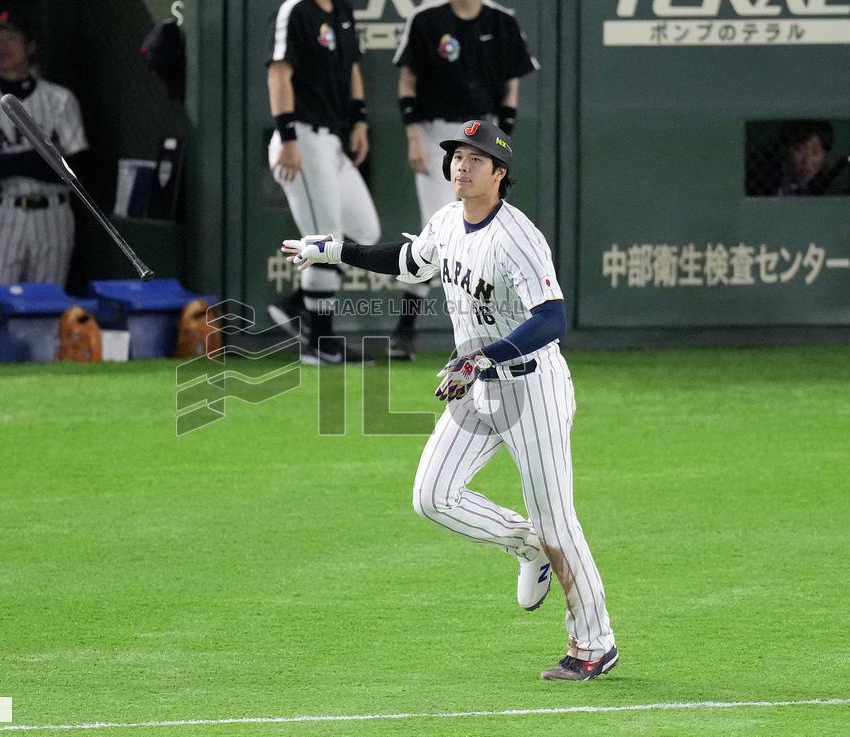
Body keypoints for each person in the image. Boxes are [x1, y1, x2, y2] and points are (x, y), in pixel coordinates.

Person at [282, 120, 618, 681]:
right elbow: (406, 259)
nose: (461, 166)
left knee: (560, 522)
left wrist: (484, 358)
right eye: (457, 156)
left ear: (499, 174)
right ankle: (526, 544)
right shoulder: (447, 221)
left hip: (531, 385)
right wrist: (335, 249)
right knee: (432, 495)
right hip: (478, 383)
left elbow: (552, 319)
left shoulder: (517, 237)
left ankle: (594, 642)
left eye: (475, 159)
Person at [388, 0, 537, 360]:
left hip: (485, 135)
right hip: (437, 132)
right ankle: (405, 330)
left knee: (488, 230)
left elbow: (510, 86)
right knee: (435, 234)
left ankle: (492, 331)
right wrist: (413, 137)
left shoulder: (502, 20)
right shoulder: (426, 18)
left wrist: (502, 141)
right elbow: (407, 82)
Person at [0, 9, 87, 359]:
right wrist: (40, 156)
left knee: (47, 309)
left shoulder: (60, 100)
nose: (2, 46)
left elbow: (72, 169)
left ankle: (39, 394)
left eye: (11, 37)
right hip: (0, 215)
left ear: (30, 47)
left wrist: (11, 162)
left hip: (53, 214)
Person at [265, 0, 381, 365]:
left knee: (366, 233)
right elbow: (278, 73)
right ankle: (320, 342)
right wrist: (287, 138)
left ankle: (299, 305)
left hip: (332, 140)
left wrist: (359, 121)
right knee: (326, 239)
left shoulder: (342, 11)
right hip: (301, 137)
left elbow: (353, 69)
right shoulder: (295, 10)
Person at [775, 121, 849, 197]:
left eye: (815, 152)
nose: (807, 160)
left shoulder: (834, 182)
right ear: (784, 150)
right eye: (799, 149)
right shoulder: (772, 179)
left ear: (825, 156)